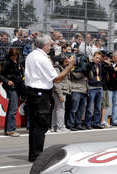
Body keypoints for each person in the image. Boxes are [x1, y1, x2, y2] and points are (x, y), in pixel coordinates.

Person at [24, 34, 75, 162]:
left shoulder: (31, 55)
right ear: (45, 45)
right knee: (41, 124)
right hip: (40, 93)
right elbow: (57, 78)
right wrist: (70, 66)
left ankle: (33, 154)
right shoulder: (42, 58)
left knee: (35, 125)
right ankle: (37, 155)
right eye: (50, 44)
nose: (51, 46)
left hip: (32, 92)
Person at [0, 48, 25, 137]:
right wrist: (7, 81)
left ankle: (9, 129)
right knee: (13, 108)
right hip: (11, 87)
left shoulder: (18, 61)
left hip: (19, 85)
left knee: (12, 108)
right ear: (10, 55)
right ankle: (10, 130)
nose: (14, 58)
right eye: (13, 56)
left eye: (16, 56)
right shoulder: (5, 62)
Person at [51, 56, 71, 133]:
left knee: (57, 108)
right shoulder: (57, 68)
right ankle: (60, 127)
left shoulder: (63, 68)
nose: (67, 61)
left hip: (62, 91)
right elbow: (56, 82)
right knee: (60, 109)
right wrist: (60, 95)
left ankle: (54, 126)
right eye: (65, 60)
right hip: (59, 91)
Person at [85, 51, 104, 129]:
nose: (98, 59)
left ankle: (96, 123)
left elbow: (100, 75)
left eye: (99, 58)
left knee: (98, 107)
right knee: (90, 107)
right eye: (96, 58)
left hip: (99, 87)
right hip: (92, 88)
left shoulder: (100, 65)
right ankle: (88, 123)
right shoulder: (90, 65)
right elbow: (87, 75)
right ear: (93, 57)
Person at [105, 51, 117, 126]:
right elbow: (109, 73)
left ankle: (115, 120)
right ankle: (105, 120)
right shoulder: (107, 64)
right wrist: (113, 69)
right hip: (109, 87)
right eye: (116, 57)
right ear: (113, 57)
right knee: (107, 104)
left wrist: (115, 70)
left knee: (116, 104)